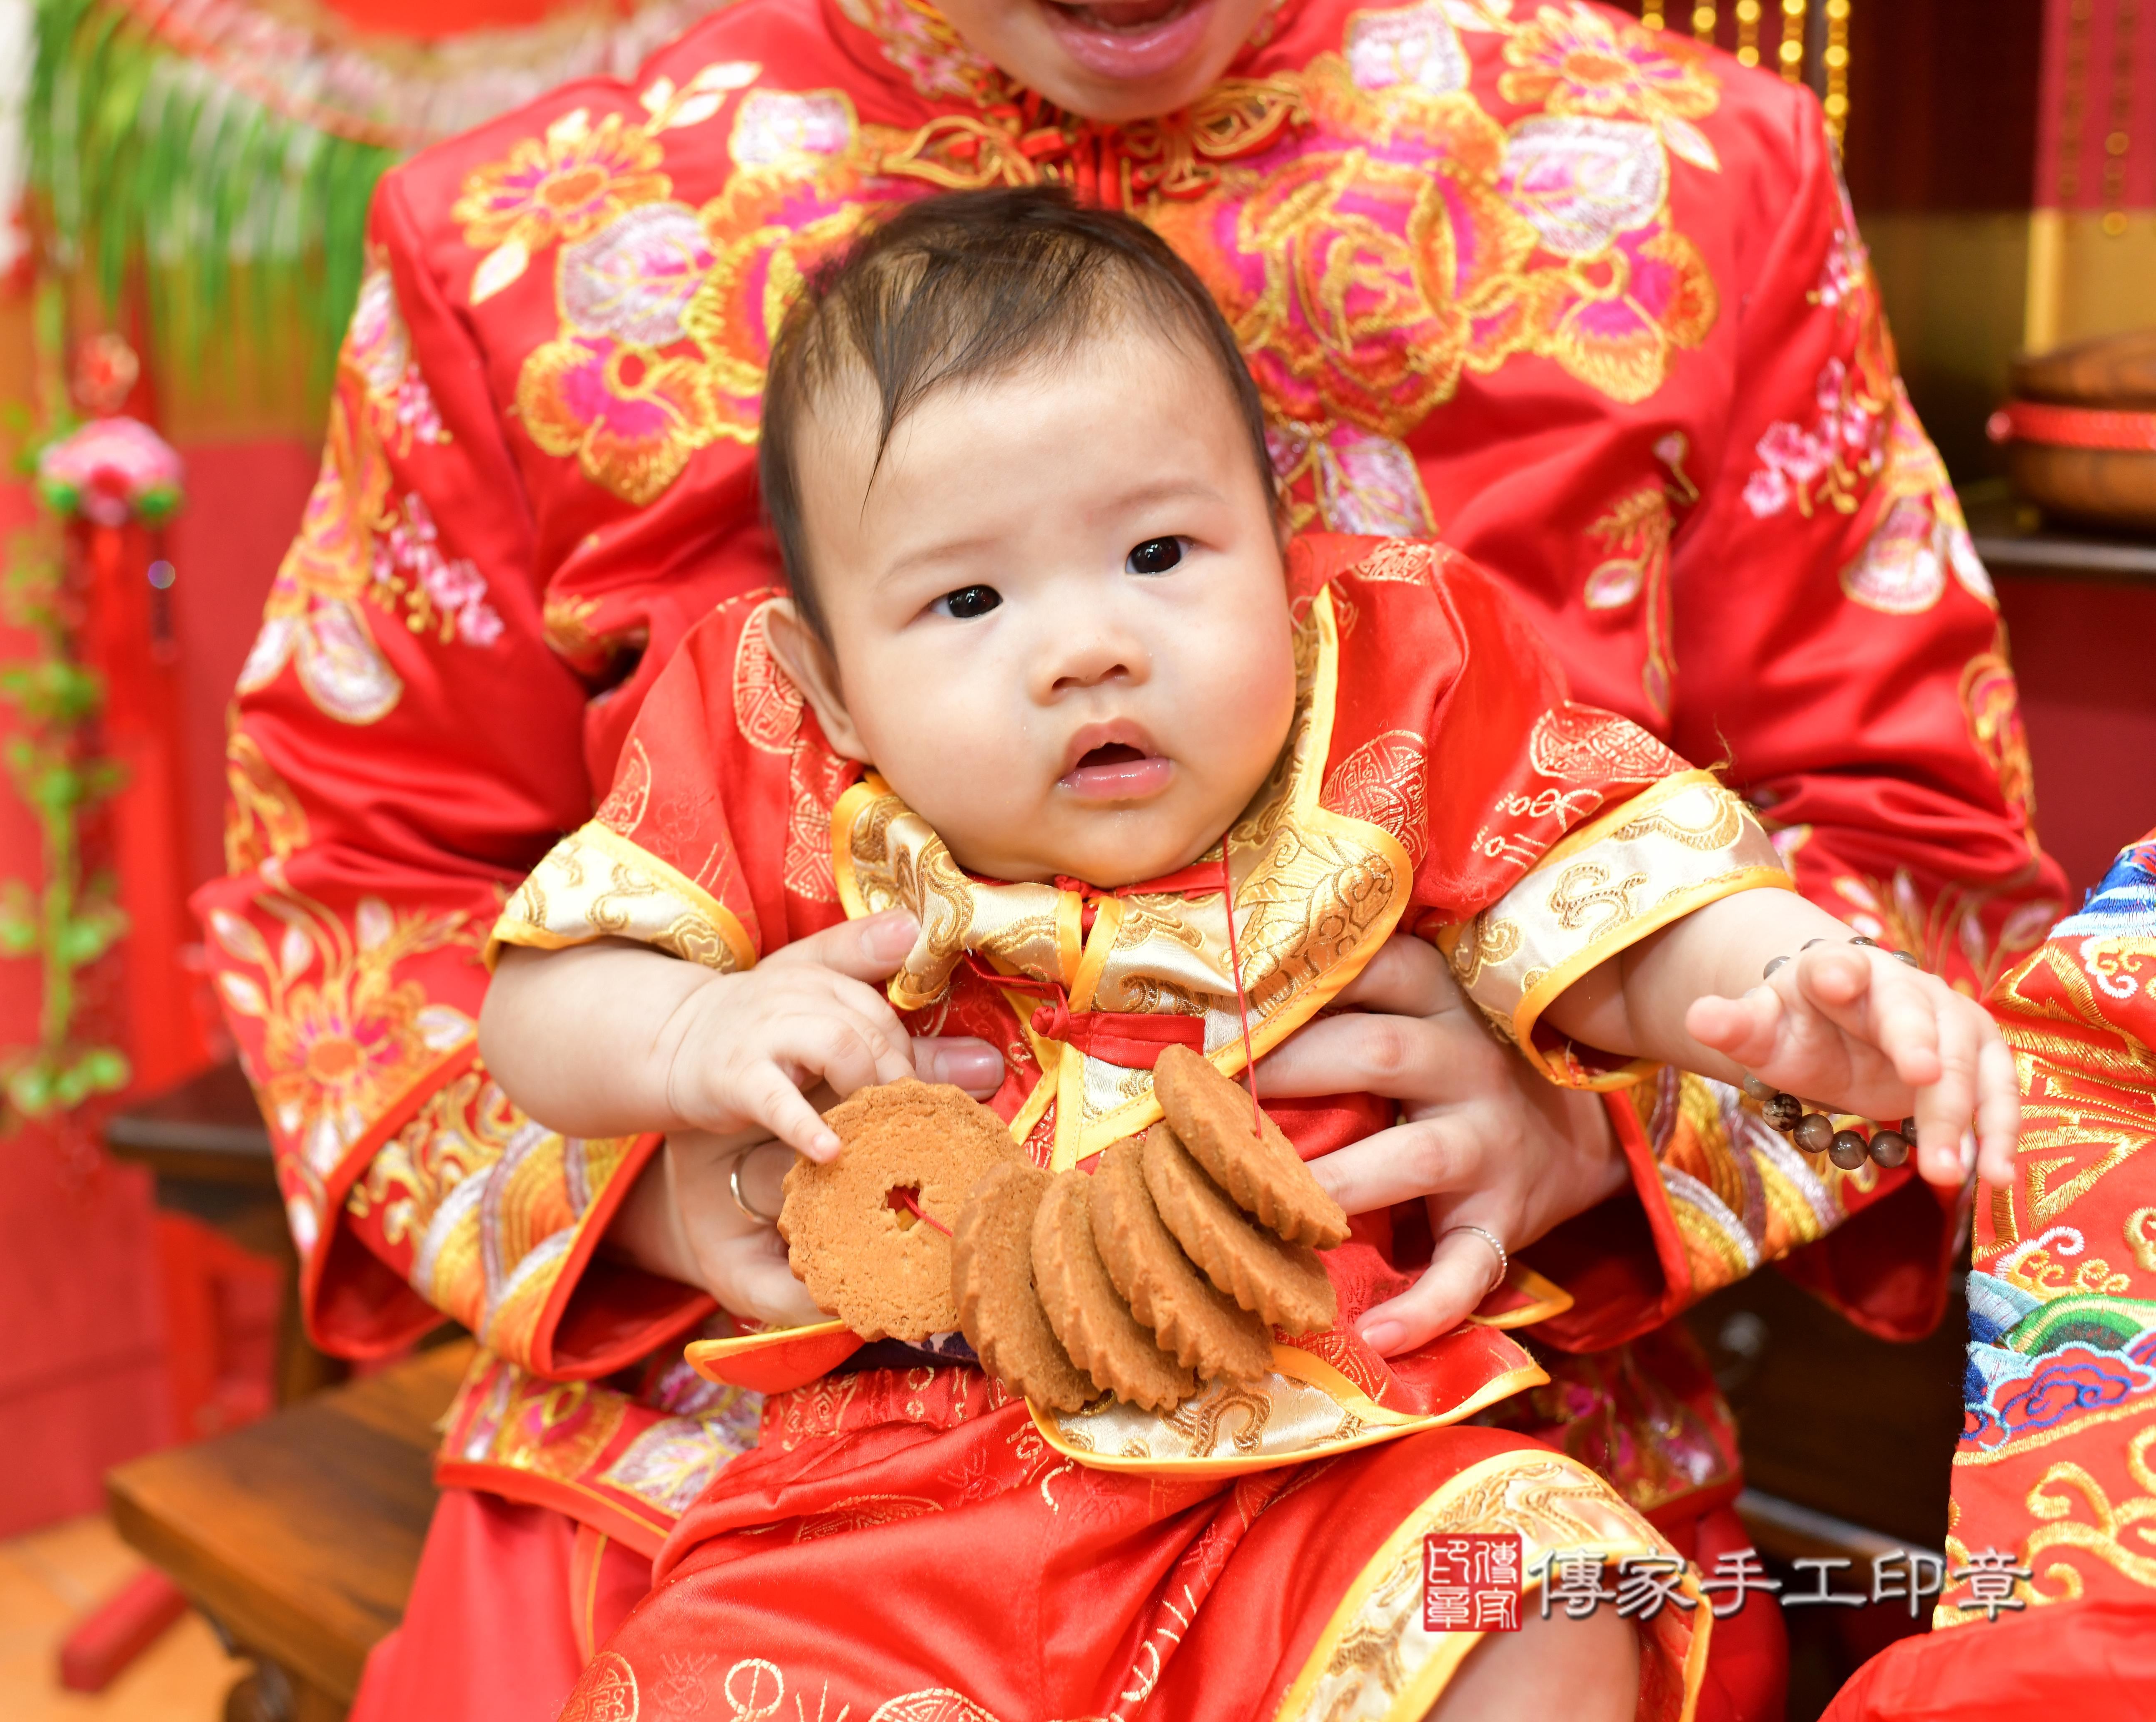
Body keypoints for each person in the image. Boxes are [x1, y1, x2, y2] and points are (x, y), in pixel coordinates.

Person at [193, 1, 2061, 1716]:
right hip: (717, 1451)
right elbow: (354, 909)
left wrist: (1600, 1128)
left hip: (1435, 1407)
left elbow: (1925, 887)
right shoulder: (525, 241)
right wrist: (686, 1185)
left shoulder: (1688, 180)